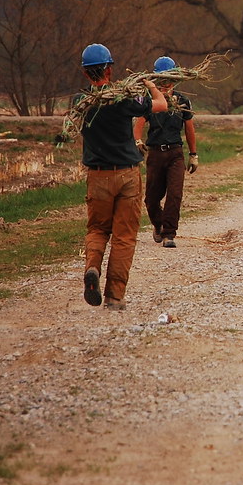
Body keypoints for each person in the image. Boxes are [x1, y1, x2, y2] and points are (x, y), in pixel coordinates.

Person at [78, 43, 167, 310]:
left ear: (85, 74)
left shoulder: (80, 104)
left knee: (96, 229)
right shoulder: (122, 100)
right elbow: (161, 104)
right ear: (109, 68)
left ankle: (93, 267)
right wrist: (149, 84)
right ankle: (114, 297)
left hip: (97, 176)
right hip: (127, 175)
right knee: (124, 236)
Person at [133, 56, 198, 249]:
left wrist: (193, 154)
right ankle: (158, 224)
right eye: (161, 79)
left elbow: (189, 129)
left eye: (169, 78)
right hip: (155, 154)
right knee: (151, 198)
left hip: (175, 153)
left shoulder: (183, 101)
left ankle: (169, 234)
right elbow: (139, 122)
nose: (166, 82)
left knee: (175, 194)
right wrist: (137, 140)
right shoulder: (148, 100)